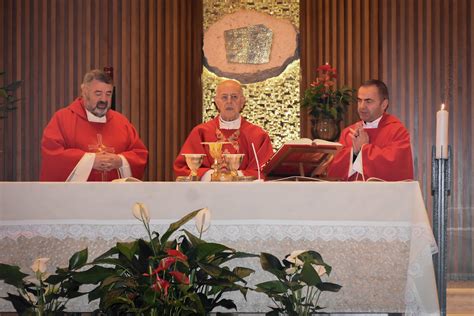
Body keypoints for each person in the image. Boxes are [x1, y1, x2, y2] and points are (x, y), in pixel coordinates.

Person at [40, 69, 148, 181]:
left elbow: (139, 154)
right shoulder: (62, 119)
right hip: (78, 197)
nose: (104, 99)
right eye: (98, 93)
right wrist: (90, 161)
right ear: (84, 92)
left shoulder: (121, 122)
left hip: (115, 196)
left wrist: (120, 161)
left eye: (108, 94)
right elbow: (53, 155)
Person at [174, 80, 274, 180]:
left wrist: (234, 176)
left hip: (245, 193)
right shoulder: (200, 132)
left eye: (234, 97)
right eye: (224, 97)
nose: (229, 101)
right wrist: (212, 175)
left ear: (243, 101)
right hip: (208, 193)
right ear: (216, 102)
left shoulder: (257, 135)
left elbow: (266, 171)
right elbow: (183, 168)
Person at [327, 79, 413, 181]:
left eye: (368, 101)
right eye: (359, 100)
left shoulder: (397, 131)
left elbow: (396, 169)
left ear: (384, 104)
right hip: (350, 195)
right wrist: (354, 152)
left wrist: (364, 148)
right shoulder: (348, 133)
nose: (362, 107)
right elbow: (334, 173)